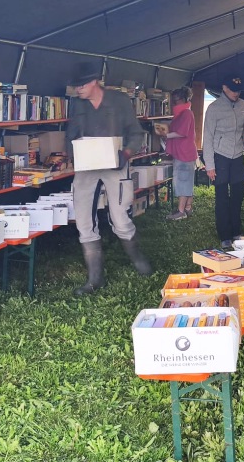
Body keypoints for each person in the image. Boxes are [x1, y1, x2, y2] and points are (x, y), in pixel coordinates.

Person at [65, 61, 151, 295]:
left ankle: (138, 259)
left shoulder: (119, 101)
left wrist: (126, 153)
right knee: (83, 220)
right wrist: (72, 155)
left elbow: (136, 132)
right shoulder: (77, 104)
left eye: (82, 85)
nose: (78, 89)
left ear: (95, 82)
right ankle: (95, 278)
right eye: (76, 86)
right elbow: (70, 135)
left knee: (120, 217)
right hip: (86, 167)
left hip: (115, 163)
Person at [202, 74, 244, 249]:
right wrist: (210, 165)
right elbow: (207, 137)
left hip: (238, 156)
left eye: (238, 90)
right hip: (220, 157)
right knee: (222, 198)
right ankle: (224, 235)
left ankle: (236, 231)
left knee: (238, 195)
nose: (236, 93)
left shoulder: (243, 105)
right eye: (233, 90)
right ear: (224, 88)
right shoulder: (214, 108)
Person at [162, 86, 198, 220]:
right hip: (184, 153)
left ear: (183, 99)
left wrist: (167, 135)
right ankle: (187, 208)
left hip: (184, 154)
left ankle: (181, 211)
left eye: (176, 100)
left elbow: (182, 132)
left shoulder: (186, 114)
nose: (174, 103)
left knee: (182, 181)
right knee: (186, 181)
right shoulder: (182, 113)